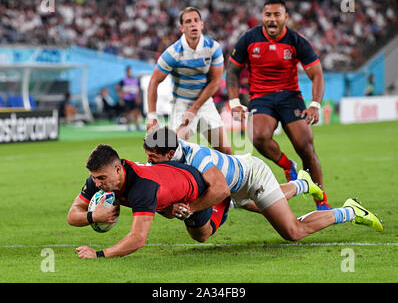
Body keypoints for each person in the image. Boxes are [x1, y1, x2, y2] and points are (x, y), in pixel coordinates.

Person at [143, 127, 384, 245]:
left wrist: (191, 208)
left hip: (250, 177)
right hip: (232, 185)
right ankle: (302, 183)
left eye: (152, 157)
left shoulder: (197, 158)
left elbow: (221, 191)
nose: (149, 161)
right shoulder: (169, 153)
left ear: (171, 153)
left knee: (293, 231)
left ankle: (351, 210)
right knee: (202, 235)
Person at [226, 0, 331, 210]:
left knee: (305, 147)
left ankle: (322, 201)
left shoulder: (296, 40)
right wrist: (235, 101)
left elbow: (317, 73)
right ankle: (286, 164)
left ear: (286, 17)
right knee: (257, 136)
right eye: (268, 15)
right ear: (262, 17)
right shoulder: (249, 38)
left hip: (290, 97)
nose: (272, 19)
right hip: (261, 98)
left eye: (276, 15)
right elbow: (233, 70)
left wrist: (315, 104)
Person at [67, 144, 231, 259]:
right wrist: (93, 216)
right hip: (164, 182)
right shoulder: (100, 179)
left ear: (118, 170)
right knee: (167, 210)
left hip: (193, 187)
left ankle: (224, 201)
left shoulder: (141, 188)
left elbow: (137, 239)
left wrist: (98, 254)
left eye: (101, 178)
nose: (97, 184)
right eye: (94, 178)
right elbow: (72, 215)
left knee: (202, 235)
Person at [146, 7, 232, 155]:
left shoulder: (213, 48)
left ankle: (237, 178)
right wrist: (152, 116)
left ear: (202, 24)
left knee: (226, 151)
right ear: (182, 28)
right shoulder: (173, 53)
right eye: (188, 22)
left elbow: (215, 82)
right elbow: (154, 81)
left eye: (196, 20)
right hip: (181, 104)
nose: (193, 24)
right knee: (177, 152)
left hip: (204, 103)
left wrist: (194, 109)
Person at [115, 66, 143, 131]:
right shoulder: (123, 80)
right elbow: (117, 87)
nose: (129, 72)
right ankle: (128, 126)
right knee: (127, 113)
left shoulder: (135, 80)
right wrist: (122, 92)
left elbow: (138, 89)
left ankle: (137, 125)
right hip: (127, 98)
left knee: (135, 112)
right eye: (127, 71)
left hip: (134, 98)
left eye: (129, 71)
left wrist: (138, 97)